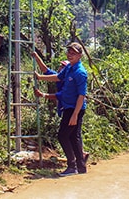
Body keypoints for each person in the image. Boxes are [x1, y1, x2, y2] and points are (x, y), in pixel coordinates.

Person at [35, 42, 87, 176]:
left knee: (63, 136)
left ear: (80, 56)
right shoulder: (69, 67)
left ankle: (72, 166)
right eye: (69, 52)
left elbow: (82, 95)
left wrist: (75, 114)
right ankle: (80, 167)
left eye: (73, 53)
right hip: (68, 107)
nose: (70, 55)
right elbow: (57, 77)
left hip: (74, 108)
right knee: (74, 137)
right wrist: (41, 77)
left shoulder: (80, 72)